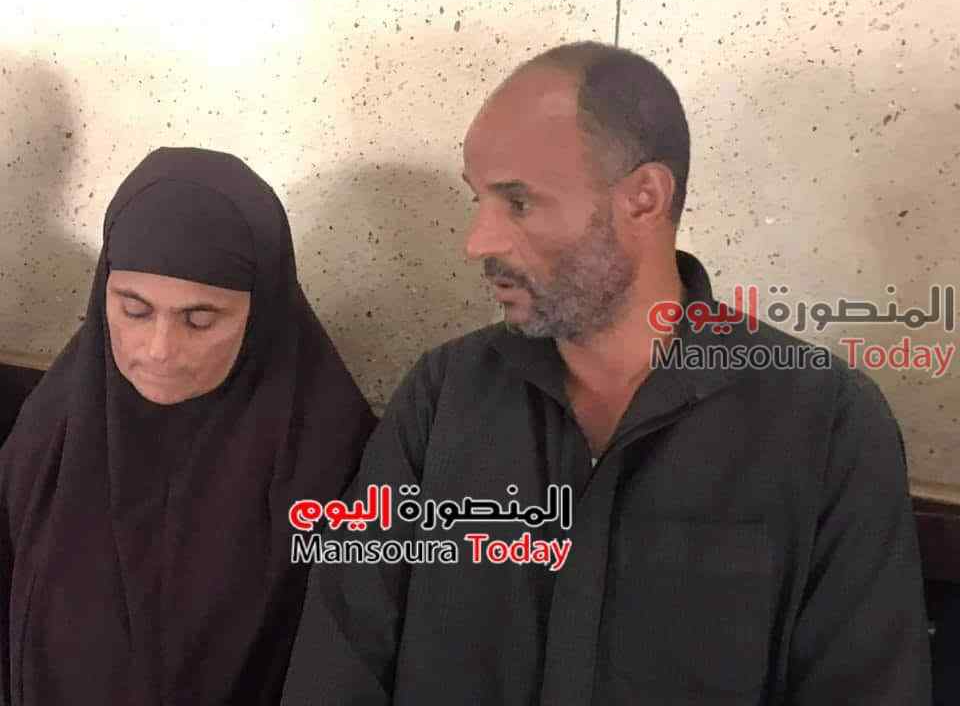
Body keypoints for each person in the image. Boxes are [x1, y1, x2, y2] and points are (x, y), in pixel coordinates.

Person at [282, 41, 932, 705]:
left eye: (518, 202)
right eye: (478, 199)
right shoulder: (443, 395)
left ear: (643, 198)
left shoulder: (824, 423)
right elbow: (339, 662)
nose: (477, 242)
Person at [0, 146, 376, 704]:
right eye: (133, 310)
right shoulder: (49, 433)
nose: (159, 349)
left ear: (262, 315)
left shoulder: (332, 462)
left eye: (200, 320)